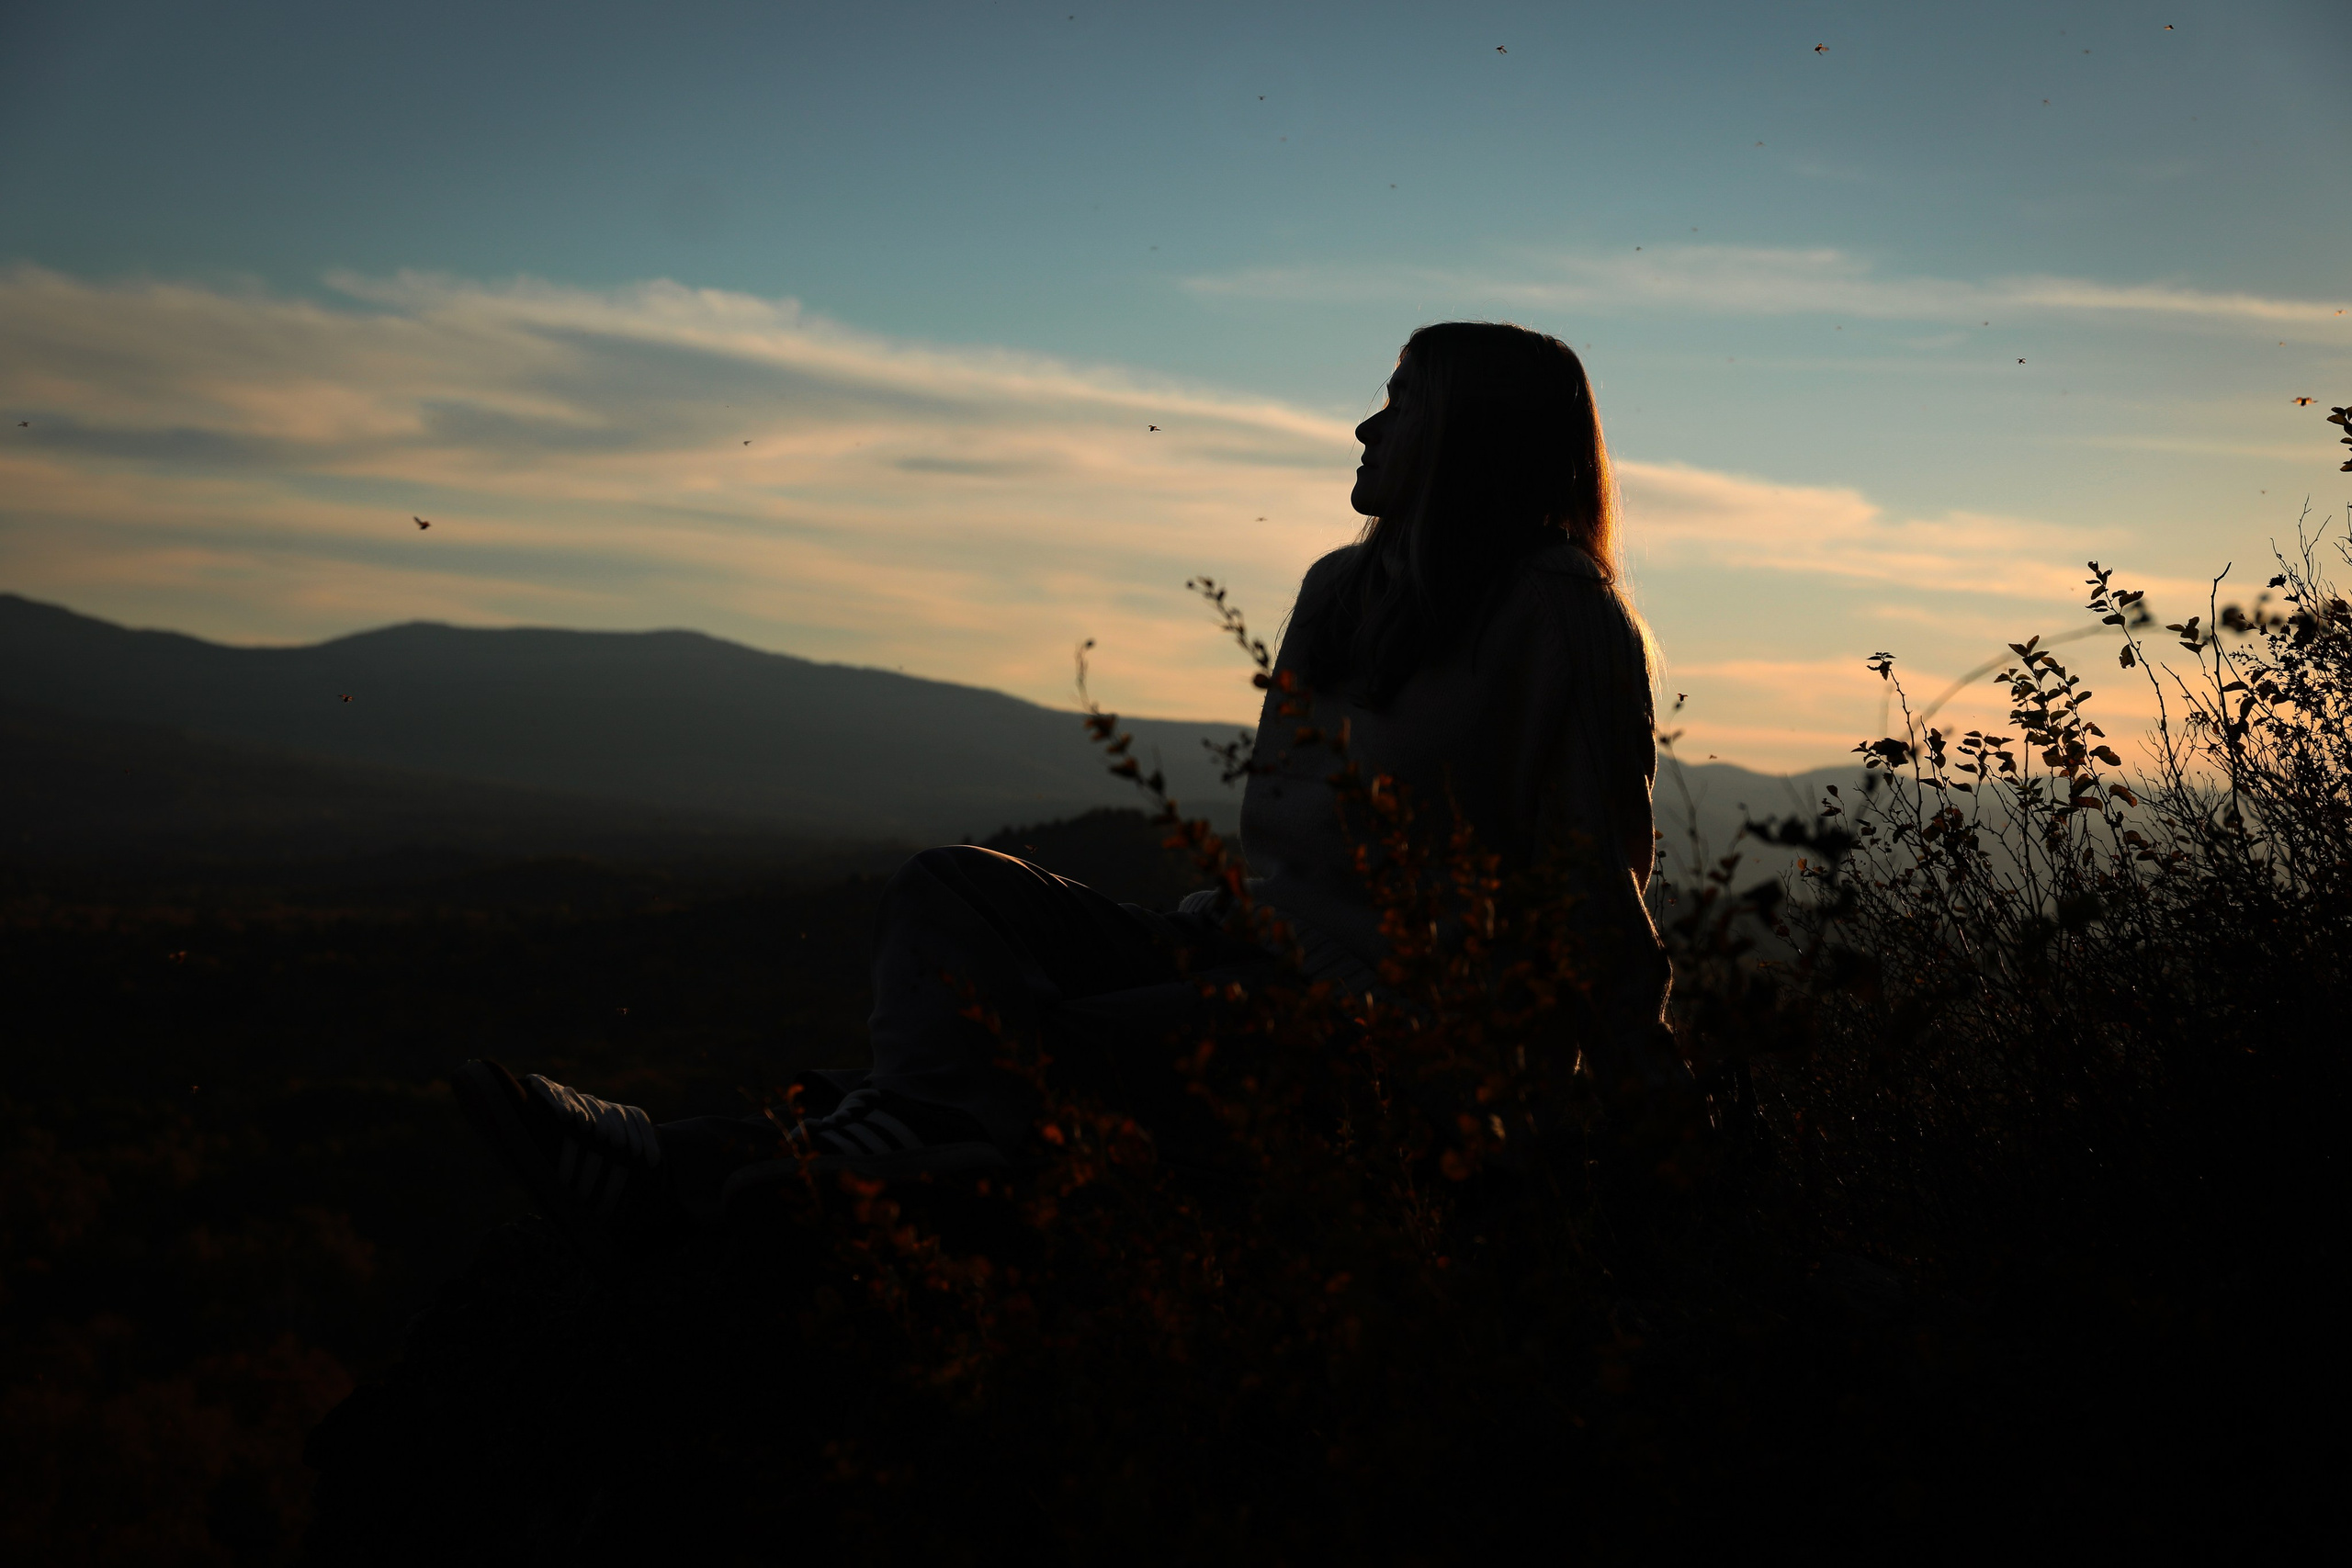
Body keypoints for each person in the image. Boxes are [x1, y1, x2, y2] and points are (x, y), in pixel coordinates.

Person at [457, 321, 1674, 1269]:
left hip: (1390, 1045)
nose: (1364, 424)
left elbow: (1594, 889)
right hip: (1246, 955)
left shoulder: (1561, 619)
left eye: (1400, 403)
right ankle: (900, 1155)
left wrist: (1635, 1127)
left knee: (1064, 1045)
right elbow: (1301, 869)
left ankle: (679, 1161)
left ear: (1473, 441)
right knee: (954, 893)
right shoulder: (1340, 593)